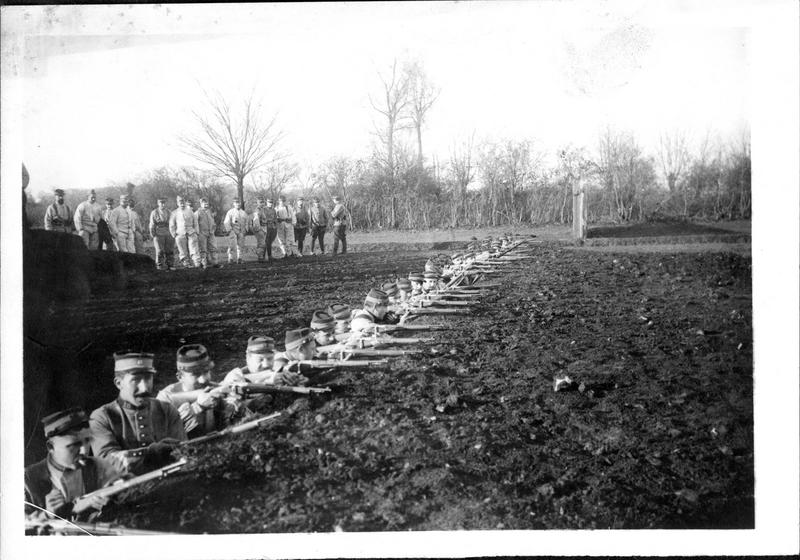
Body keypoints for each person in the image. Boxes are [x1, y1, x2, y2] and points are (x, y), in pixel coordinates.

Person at [89, 352, 186, 476]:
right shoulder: (101, 417)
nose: (144, 388)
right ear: (119, 383)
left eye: (148, 378)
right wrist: (151, 453)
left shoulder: (167, 410)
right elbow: (108, 463)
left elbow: (183, 453)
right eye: (135, 380)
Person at [24, 408, 123, 521]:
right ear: (50, 447)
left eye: (87, 441)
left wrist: (112, 508)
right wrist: (46, 515)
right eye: (74, 445)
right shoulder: (27, 479)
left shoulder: (101, 467)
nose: (84, 451)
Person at [156, 344, 231, 437]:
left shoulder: (213, 388)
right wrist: (198, 407)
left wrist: (235, 408)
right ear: (180, 377)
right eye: (196, 374)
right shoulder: (165, 399)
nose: (203, 380)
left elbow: (224, 427)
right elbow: (164, 434)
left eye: (206, 372)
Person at [223, 335, 301, 386]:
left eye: (270, 358)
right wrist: (266, 383)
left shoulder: (277, 374)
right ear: (248, 358)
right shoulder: (235, 376)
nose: (266, 364)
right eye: (260, 359)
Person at [169, 195, 201, 268]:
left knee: (194, 249)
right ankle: (186, 263)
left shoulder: (190, 211)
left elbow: (195, 222)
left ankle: (197, 263)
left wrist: (196, 232)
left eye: (183, 202)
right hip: (180, 233)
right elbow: (172, 224)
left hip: (191, 232)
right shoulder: (175, 212)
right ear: (177, 203)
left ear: (185, 202)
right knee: (182, 250)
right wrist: (174, 234)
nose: (182, 204)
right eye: (180, 202)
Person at [149, 197, 174, 270]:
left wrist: (173, 233)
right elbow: (152, 224)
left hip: (168, 233)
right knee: (160, 251)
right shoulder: (154, 212)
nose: (163, 204)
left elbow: (172, 223)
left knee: (169, 250)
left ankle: (170, 265)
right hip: (158, 233)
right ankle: (159, 265)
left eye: (164, 203)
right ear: (158, 203)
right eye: (161, 203)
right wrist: (153, 234)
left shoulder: (169, 212)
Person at [223, 199, 248, 265]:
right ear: (233, 204)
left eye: (239, 203)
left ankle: (240, 258)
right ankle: (230, 258)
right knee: (232, 245)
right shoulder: (230, 212)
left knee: (241, 245)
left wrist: (246, 229)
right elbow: (226, 222)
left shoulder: (243, 213)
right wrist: (229, 230)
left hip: (241, 231)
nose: (238, 204)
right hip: (233, 230)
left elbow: (247, 222)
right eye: (236, 203)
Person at [195, 197, 218, 269]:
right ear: (201, 204)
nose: (206, 205)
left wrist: (213, 228)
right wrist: (197, 232)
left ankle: (215, 263)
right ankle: (204, 263)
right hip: (202, 233)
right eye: (204, 203)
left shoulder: (209, 212)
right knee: (203, 249)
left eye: (207, 203)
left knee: (213, 248)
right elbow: (195, 224)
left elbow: (213, 221)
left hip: (211, 233)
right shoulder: (197, 212)